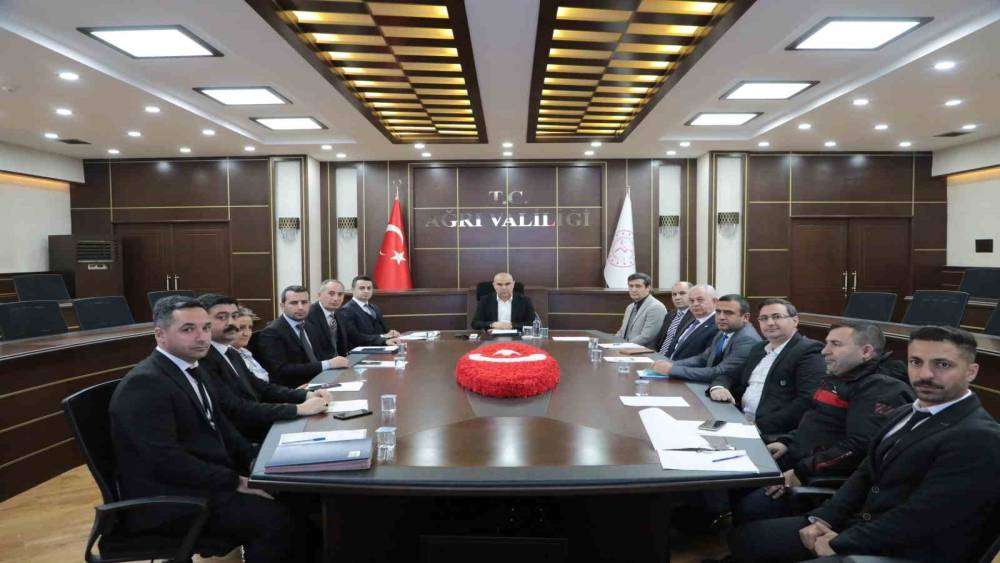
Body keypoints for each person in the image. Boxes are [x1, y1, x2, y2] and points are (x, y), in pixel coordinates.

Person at [729, 326, 1000, 563]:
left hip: (904, 549)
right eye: (916, 362)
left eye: (942, 365)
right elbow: (866, 472)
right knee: (747, 538)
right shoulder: (905, 412)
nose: (925, 374)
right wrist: (823, 518)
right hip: (860, 523)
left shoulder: (979, 437)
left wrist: (842, 542)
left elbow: (924, 519)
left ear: (971, 372)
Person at [108, 296, 297, 562]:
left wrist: (253, 458)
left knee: (297, 495)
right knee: (276, 519)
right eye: (188, 329)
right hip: (170, 500)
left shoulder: (194, 367)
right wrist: (236, 481)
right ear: (160, 335)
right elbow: (166, 461)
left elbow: (221, 426)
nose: (202, 337)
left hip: (200, 482)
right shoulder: (145, 384)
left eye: (206, 328)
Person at [732, 321, 916, 524]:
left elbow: (858, 448)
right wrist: (787, 441)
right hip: (799, 457)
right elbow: (816, 421)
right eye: (827, 343)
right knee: (732, 479)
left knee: (748, 507)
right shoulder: (840, 376)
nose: (824, 351)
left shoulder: (880, 388)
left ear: (866, 351)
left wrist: (801, 471)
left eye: (835, 344)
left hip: (820, 476)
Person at [197, 294, 331, 442]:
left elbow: (261, 387)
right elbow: (236, 408)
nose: (231, 323)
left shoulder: (231, 352)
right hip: (245, 437)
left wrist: (306, 395)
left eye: (234, 316)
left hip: (260, 424)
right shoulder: (203, 359)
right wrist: (298, 409)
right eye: (222, 317)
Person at [708, 298, 825, 437]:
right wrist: (719, 387)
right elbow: (731, 374)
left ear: (795, 321)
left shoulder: (808, 351)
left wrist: (758, 426)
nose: (769, 323)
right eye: (764, 318)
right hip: (738, 419)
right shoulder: (759, 348)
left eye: (777, 317)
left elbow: (806, 401)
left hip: (772, 432)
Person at [252, 285, 349, 388]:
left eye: (304, 302)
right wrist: (327, 364)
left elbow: (321, 355)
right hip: (295, 387)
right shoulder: (272, 332)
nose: (300, 307)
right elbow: (281, 369)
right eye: (294, 303)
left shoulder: (309, 325)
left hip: (320, 379)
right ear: (282, 306)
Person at [650, 294, 761, 383]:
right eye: (718, 312)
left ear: (745, 317)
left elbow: (719, 372)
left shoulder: (747, 339)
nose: (721, 317)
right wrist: (671, 364)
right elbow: (703, 358)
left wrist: (672, 369)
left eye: (728, 313)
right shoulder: (724, 331)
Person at [336, 275, 400, 351]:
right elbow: (355, 337)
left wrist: (391, 333)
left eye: (369, 288)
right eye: (362, 288)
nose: (366, 291)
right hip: (361, 352)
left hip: (382, 348)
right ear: (353, 290)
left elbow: (384, 331)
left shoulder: (375, 308)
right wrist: (383, 338)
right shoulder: (346, 310)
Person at [662, 284, 719, 361]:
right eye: (691, 301)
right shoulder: (692, 320)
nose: (695, 304)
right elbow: (674, 347)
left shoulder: (718, 326)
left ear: (715, 301)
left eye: (700, 300)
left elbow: (704, 360)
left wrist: (672, 366)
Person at [614, 272, 667, 348]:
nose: (633, 290)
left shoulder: (656, 307)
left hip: (644, 352)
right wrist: (612, 343)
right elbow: (622, 332)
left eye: (638, 286)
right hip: (625, 349)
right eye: (631, 286)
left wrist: (622, 346)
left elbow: (647, 337)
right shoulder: (630, 307)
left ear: (648, 288)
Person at [471, 272, 537, 330]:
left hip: (517, 336)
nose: (504, 288)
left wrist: (512, 326)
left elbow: (532, 323)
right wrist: (492, 324)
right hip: (492, 337)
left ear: (513, 284)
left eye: (507, 284)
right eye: (499, 284)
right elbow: (475, 324)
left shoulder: (525, 301)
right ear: (494, 285)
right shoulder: (485, 300)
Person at [306, 278, 349, 358]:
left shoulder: (341, 314)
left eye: (340, 294)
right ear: (319, 295)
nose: (336, 298)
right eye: (331, 294)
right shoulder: (309, 315)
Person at [653, 280, 693, 356]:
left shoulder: (695, 317)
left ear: (692, 295)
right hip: (658, 356)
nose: (677, 297)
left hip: (674, 359)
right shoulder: (670, 315)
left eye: (682, 293)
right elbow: (659, 341)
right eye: (674, 294)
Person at [233, 307, 270, 382]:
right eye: (241, 328)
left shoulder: (245, 352)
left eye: (250, 328)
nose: (247, 333)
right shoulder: (227, 357)